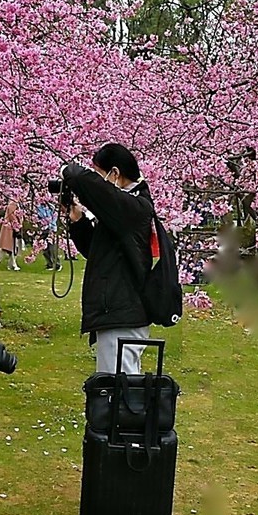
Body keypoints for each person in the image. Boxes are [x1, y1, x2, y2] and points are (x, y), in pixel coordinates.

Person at [62, 143, 154, 375]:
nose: (100, 184)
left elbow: (87, 184)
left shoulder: (134, 206)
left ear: (114, 173)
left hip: (122, 314)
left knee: (118, 390)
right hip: (119, 312)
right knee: (119, 388)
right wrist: (79, 222)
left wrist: (70, 172)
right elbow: (98, 251)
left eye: (100, 175)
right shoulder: (126, 208)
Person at [0, 198, 21, 271]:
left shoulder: (16, 204)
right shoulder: (12, 205)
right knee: (6, 247)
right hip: (10, 229)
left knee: (13, 247)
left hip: (12, 228)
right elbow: (13, 217)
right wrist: (17, 227)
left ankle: (12, 264)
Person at [36, 202, 60, 270]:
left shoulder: (51, 207)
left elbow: (54, 218)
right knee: (44, 248)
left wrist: (51, 227)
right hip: (43, 229)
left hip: (51, 228)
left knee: (52, 247)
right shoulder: (38, 207)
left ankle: (57, 264)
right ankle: (49, 263)